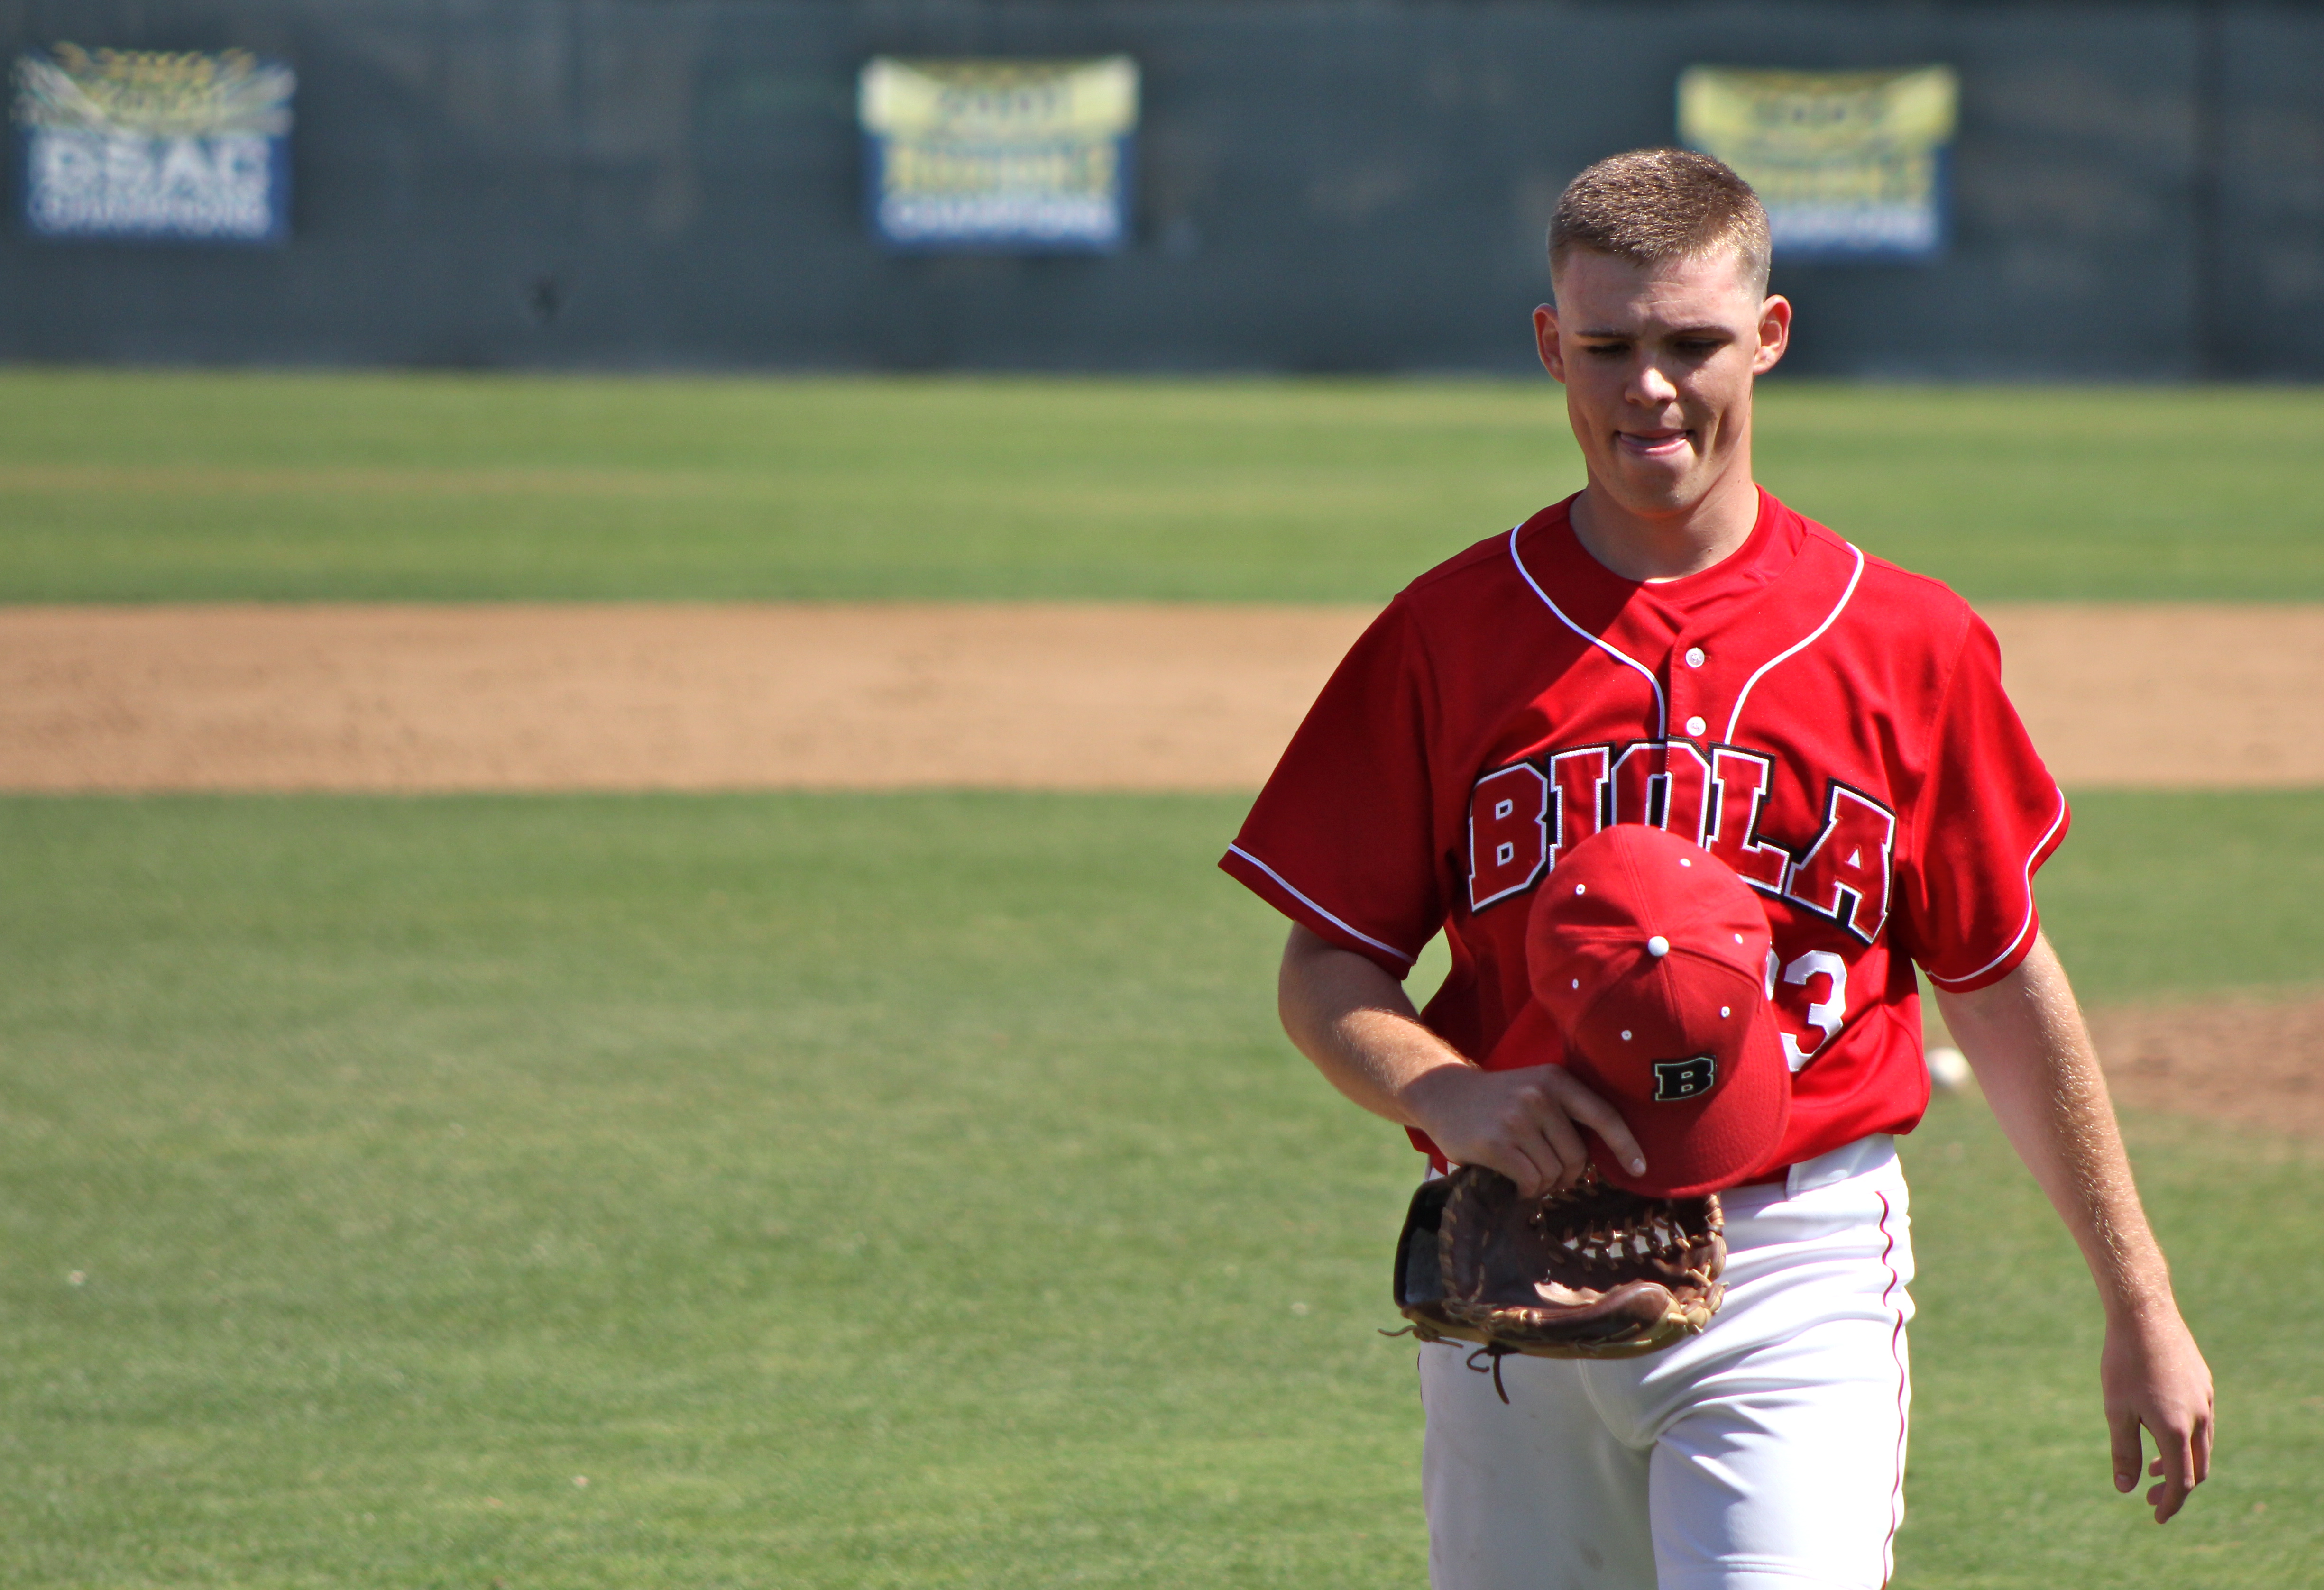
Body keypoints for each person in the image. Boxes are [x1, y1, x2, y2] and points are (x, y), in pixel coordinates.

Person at [1218, 148, 2212, 1589]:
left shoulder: (1906, 643)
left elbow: (2002, 989)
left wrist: (2144, 1297)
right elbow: (1327, 965)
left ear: (1771, 334)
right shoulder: (1449, 633)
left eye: (1691, 344)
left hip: (1794, 1258)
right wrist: (1445, 1087)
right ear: (1552, 343)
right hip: (1520, 1255)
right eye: (1609, 346)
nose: (1649, 390)